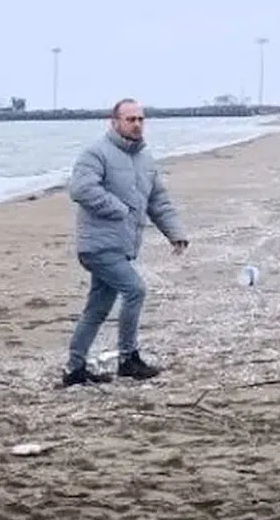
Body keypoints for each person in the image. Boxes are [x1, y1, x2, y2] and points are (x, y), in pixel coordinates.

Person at [62, 98, 188, 387]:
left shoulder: (145, 158)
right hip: (98, 245)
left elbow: (157, 200)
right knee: (135, 290)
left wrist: (175, 233)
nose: (137, 124)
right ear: (115, 122)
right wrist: (118, 208)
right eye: (130, 119)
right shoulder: (96, 153)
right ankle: (128, 359)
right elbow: (80, 189)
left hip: (122, 245)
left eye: (141, 119)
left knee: (97, 308)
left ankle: (74, 369)